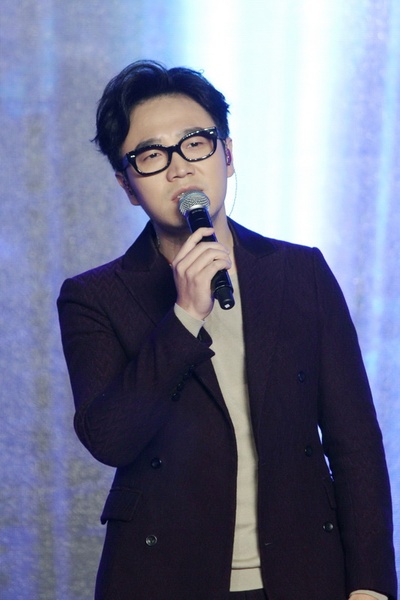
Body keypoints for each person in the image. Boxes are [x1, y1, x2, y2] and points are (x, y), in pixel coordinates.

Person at [57, 60, 397, 600]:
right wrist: (184, 317)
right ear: (127, 186)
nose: (179, 168)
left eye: (195, 143)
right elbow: (110, 438)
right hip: (162, 576)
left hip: (306, 572)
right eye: (151, 156)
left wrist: (372, 585)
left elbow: (354, 441)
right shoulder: (94, 297)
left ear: (228, 155)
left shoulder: (300, 273)